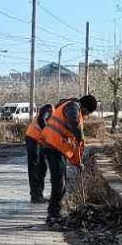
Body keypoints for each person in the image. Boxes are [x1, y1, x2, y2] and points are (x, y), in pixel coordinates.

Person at [40, 94, 97, 225]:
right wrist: (80, 135)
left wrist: (78, 163)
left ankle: (54, 213)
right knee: (59, 184)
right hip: (52, 147)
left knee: (61, 183)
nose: (86, 116)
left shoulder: (72, 107)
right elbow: (73, 123)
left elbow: (75, 145)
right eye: (87, 113)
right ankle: (53, 215)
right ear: (85, 109)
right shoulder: (73, 107)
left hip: (54, 147)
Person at [26, 104, 53, 203]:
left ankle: (39, 194)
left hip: (40, 142)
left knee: (42, 167)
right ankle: (35, 195)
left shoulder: (55, 114)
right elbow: (41, 119)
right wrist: (48, 134)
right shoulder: (49, 108)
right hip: (33, 139)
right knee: (35, 167)